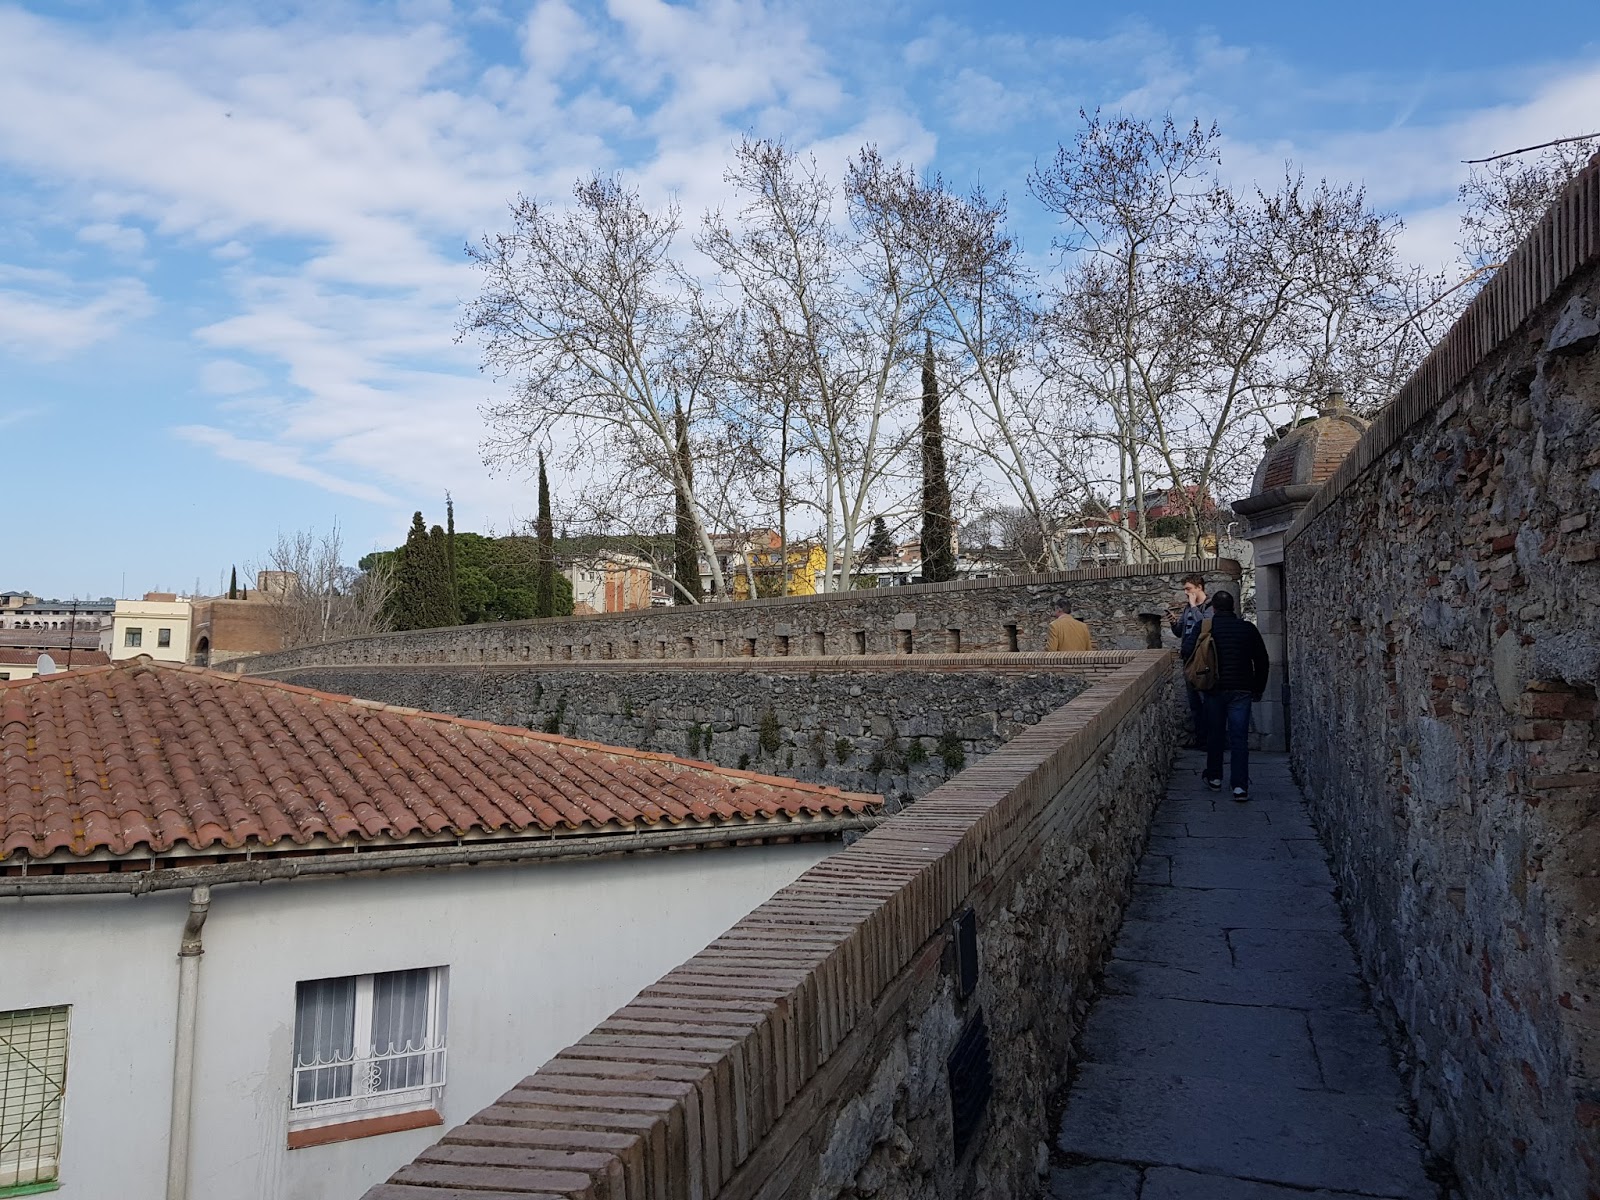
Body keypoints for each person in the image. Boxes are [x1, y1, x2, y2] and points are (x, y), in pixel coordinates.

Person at [1201, 589, 1270, 800]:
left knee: (1215, 734)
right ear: (1233, 607)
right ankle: (1240, 786)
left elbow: (1188, 651)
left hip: (1213, 689)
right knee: (1239, 738)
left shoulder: (1206, 628)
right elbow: (1262, 660)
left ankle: (1214, 777)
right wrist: (1258, 688)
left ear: (1214, 609)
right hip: (1242, 689)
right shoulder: (1247, 629)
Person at [1169, 573, 1212, 749]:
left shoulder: (1209, 606)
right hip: (1188, 658)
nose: (1186, 593)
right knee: (1193, 702)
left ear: (1199, 587)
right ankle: (1201, 739)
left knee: (1206, 701)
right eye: (1185, 590)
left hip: (1203, 658)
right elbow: (1181, 632)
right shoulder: (1188, 608)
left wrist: (1194, 606)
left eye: (1189, 589)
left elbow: (1205, 626)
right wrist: (1174, 623)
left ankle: (1211, 740)